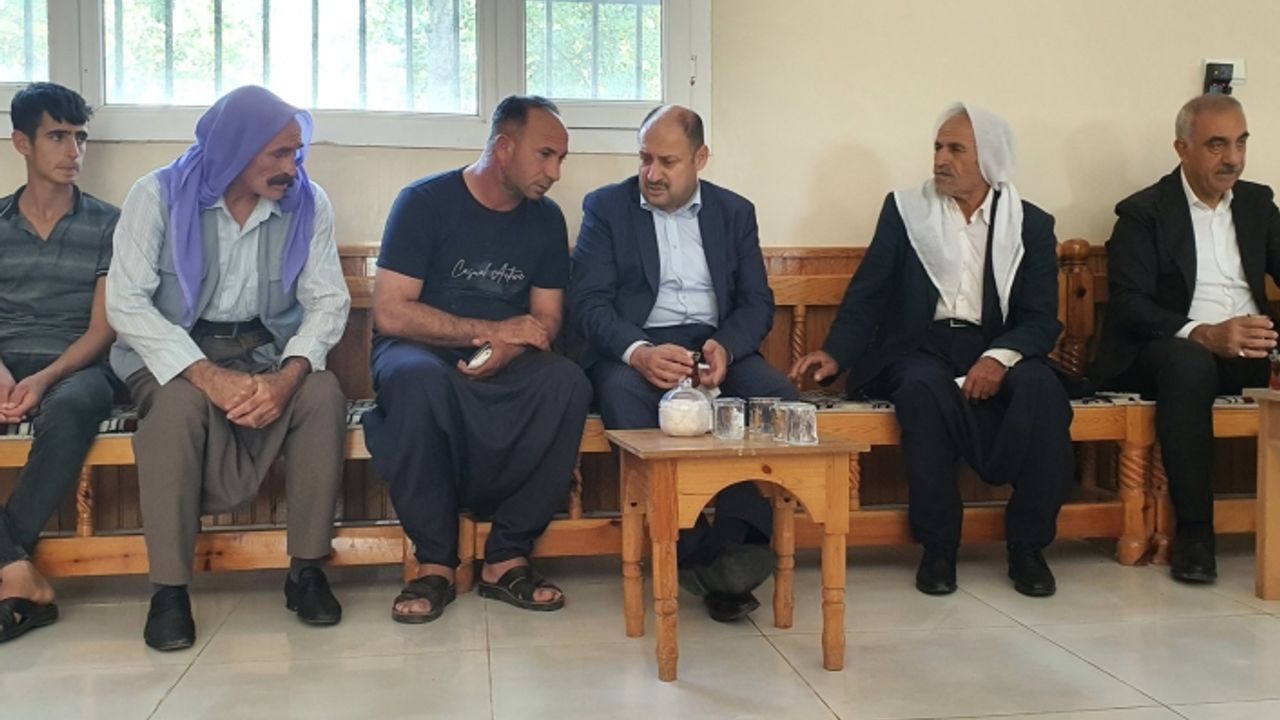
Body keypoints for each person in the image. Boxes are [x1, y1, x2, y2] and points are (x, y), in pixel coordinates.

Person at [791, 104, 1072, 598]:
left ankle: (1028, 548)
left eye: (955, 149)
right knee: (921, 389)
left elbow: (1040, 317)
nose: (940, 159)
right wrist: (836, 353)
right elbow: (869, 294)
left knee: (1042, 389)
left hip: (997, 346)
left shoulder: (1030, 224)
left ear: (990, 158)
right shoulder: (905, 210)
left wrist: (998, 358)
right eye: (938, 147)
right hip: (920, 345)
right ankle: (939, 548)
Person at [107, 86, 351, 650]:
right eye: (279, 153)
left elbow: (328, 302)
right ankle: (169, 591)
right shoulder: (157, 195)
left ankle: (306, 572)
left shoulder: (308, 204)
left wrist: (286, 376)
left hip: (265, 352)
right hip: (170, 351)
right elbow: (126, 303)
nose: (293, 166)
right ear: (236, 150)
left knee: (322, 393)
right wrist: (205, 374)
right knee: (175, 407)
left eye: (297, 152)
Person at [362, 95, 590, 624]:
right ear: (503, 147)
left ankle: (508, 556)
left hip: (509, 354)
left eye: (561, 159)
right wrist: (490, 332)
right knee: (417, 382)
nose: (555, 173)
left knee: (568, 384)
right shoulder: (423, 202)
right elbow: (392, 313)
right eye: (545, 155)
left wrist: (507, 346)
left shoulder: (546, 219)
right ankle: (436, 562)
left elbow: (547, 317)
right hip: (419, 351)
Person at [570, 105, 796, 622]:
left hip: (714, 345)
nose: (651, 173)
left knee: (777, 397)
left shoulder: (734, 212)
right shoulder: (606, 208)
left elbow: (756, 303)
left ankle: (735, 546)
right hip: (638, 346)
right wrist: (639, 353)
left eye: (667, 162)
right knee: (622, 392)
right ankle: (694, 550)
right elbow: (588, 304)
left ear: (700, 159)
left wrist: (726, 348)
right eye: (644, 158)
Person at [1095, 93, 1280, 584]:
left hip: (1250, 347)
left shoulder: (1257, 204)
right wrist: (1203, 333)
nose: (1233, 158)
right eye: (1217, 145)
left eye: (1241, 143)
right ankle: (1195, 533)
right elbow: (1130, 303)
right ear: (1182, 149)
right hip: (1165, 351)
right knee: (1189, 364)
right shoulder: (1145, 212)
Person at [0, 83, 120, 643]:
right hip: (5, 361)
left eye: (80, 137)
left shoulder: (109, 224)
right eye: (57, 136)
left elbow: (102, 329)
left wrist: (45, 377)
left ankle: (10, 565)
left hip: (77, 364)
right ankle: (17, 574)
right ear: (22, 142)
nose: (73, 151)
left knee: (72, 406)